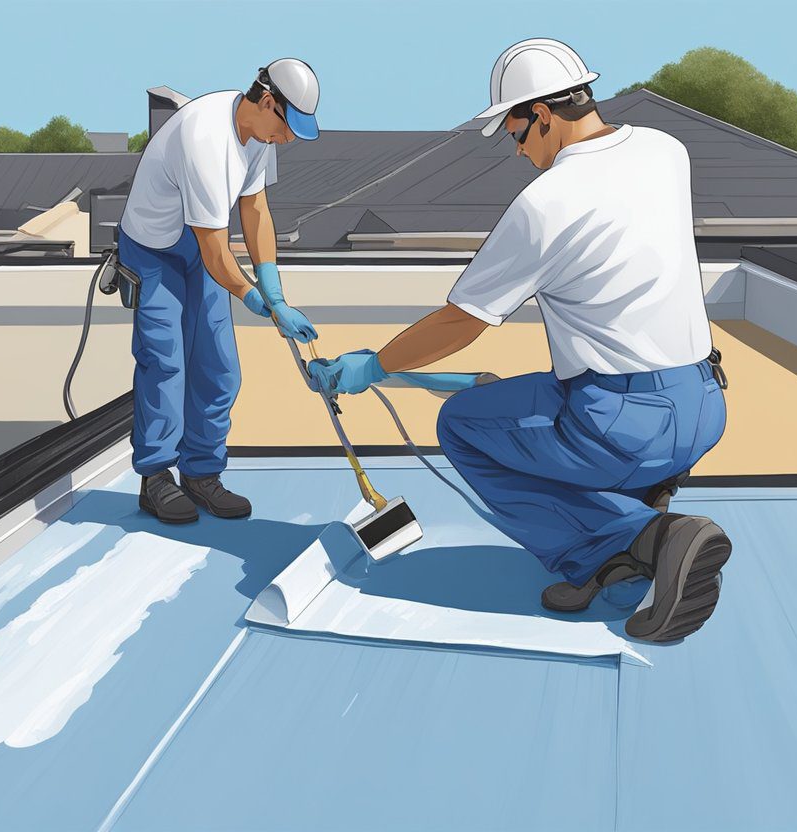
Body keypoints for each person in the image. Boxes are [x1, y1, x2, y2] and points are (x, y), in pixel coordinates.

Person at [308, 39, 731, 643]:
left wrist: (373, 365)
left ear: (540, 114)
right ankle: (630, 529)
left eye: (514, 132)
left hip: (625, 425)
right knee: (536, 406)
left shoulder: (547, 202)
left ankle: (649, 538)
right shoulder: (666, 151)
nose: (518, 149)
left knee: (461, 426)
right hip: (703, 405)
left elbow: (462, 321)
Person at [119, 59, 321, 524]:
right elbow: (216, 251)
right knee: (165, 361)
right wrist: (260, 304)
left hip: (198, 239)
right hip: (154, 249)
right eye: (289, 128)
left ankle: (202, 474)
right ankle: (155, 477)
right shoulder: (207, 139)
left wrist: (275, 289)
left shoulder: (259, 134)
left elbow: (255, 211)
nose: (288, 140)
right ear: (268, 102)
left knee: (219, 367)